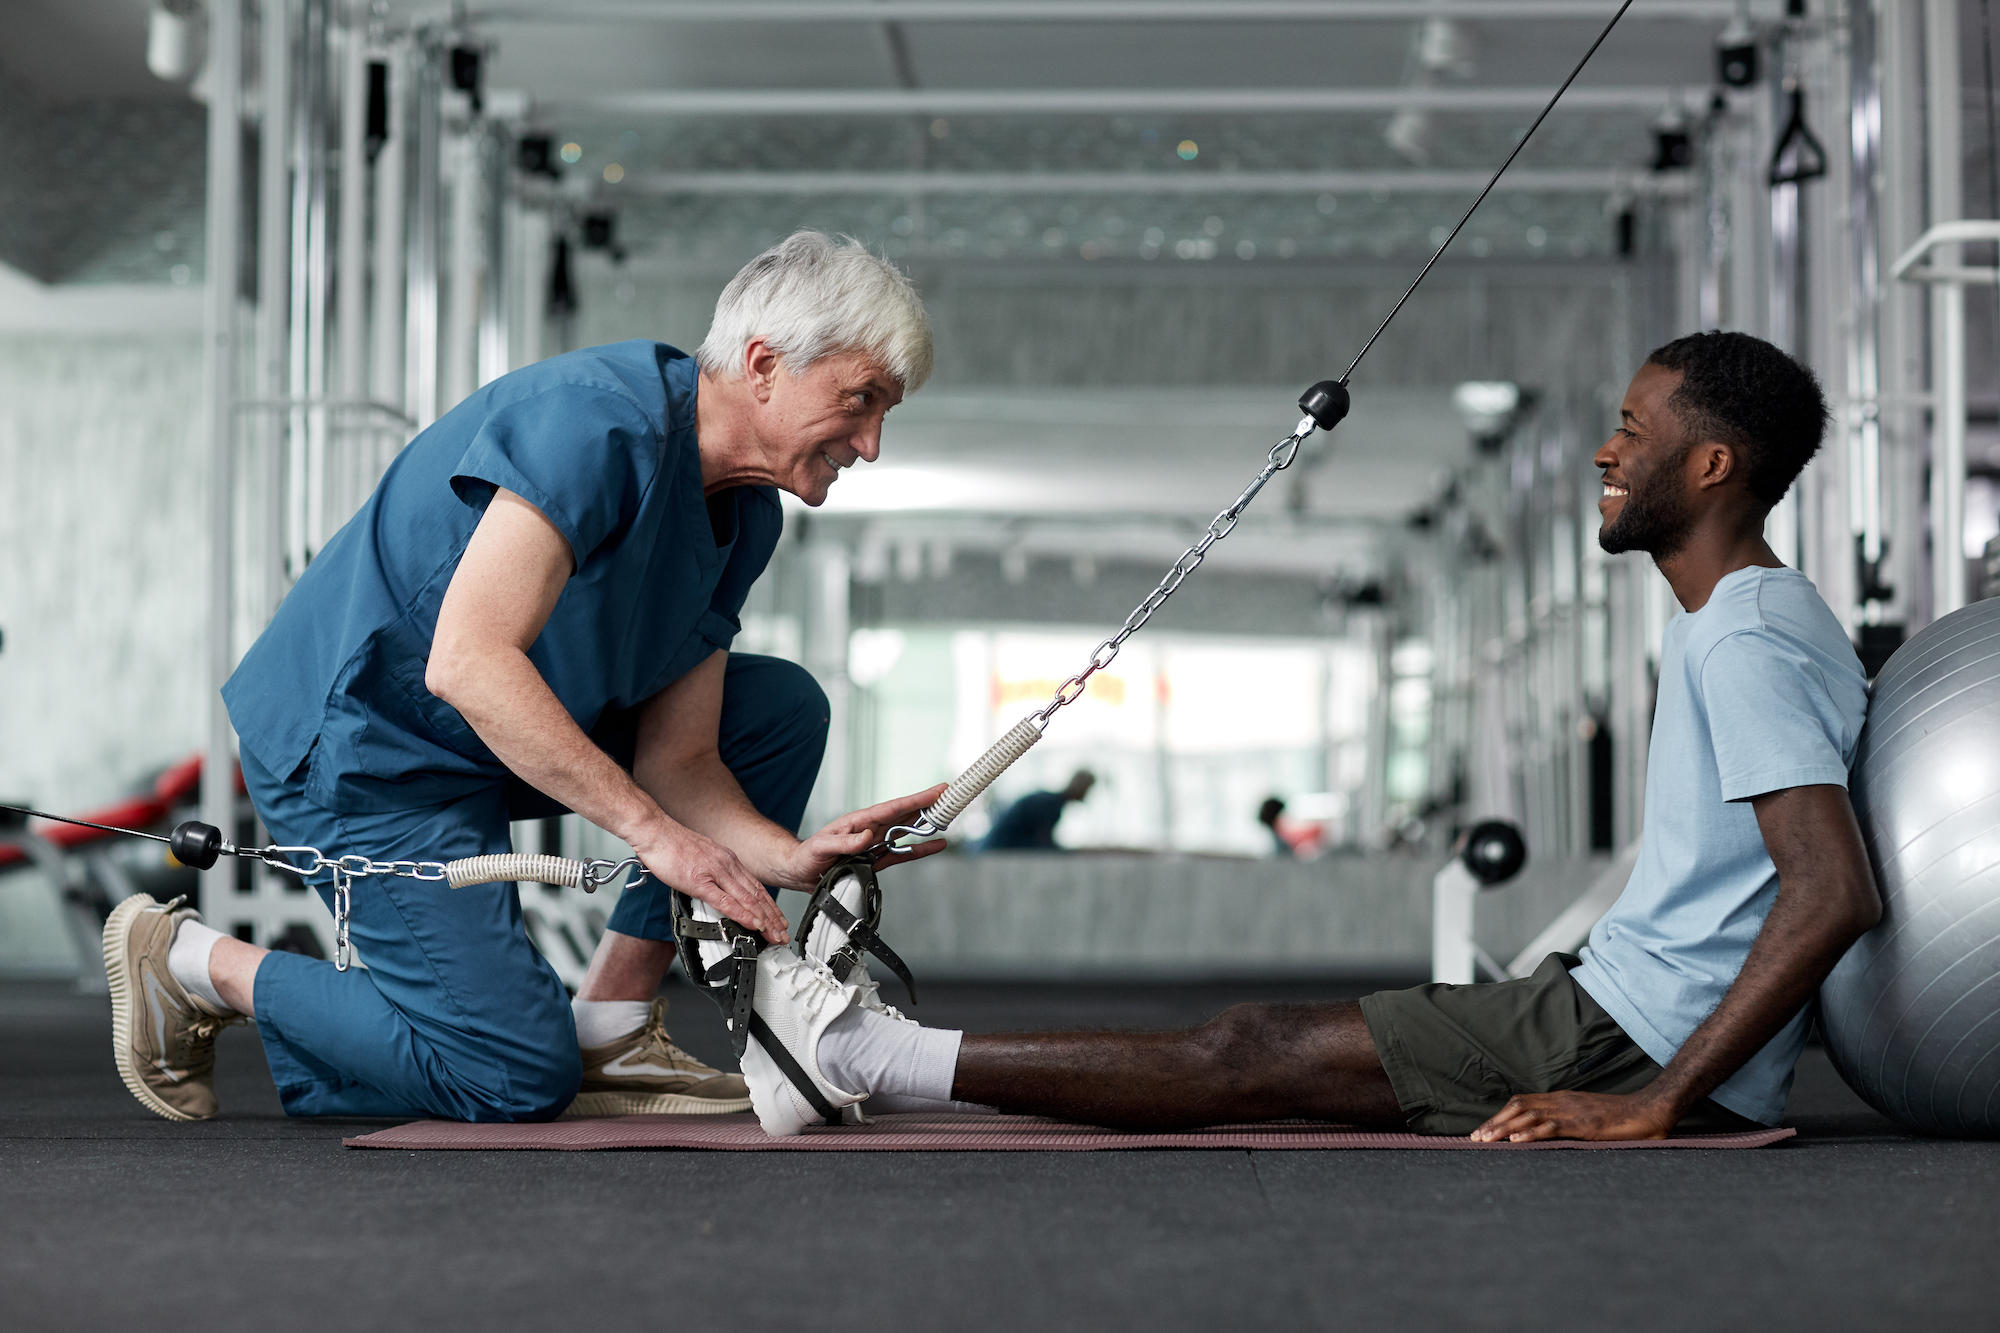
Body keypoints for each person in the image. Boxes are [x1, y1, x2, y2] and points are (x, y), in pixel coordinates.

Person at [739, 330, 1882, 1142]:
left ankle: (858, 1052)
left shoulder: (1740, 638)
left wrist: (1660, 1097)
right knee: (1261, 1050)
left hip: (1628, 1034)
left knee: (1245, 1052)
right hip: (1619, 1004)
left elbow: (1829, 888)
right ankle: (867, 1061)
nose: (1604, 452)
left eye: (1632, 429)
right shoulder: (1764, 619)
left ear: (1711, 465)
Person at [102, 232, 948, 1124]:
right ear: (765, 365)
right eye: (862, 401)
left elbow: (683, 758)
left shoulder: (748, 519)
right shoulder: (596, 421)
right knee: (513, 1075)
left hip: (479, 744)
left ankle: (611, 1025)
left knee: (778, 709)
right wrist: (650, 833)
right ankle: (191, 960)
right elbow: (468, 662)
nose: (872, 443)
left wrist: (790, 855)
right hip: (361, 747)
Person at [977, 769, 1095, 852]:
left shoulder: (1050, 802)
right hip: (999, 852)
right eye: (1088, 789)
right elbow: (1043, 843)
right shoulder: (1051, 805)